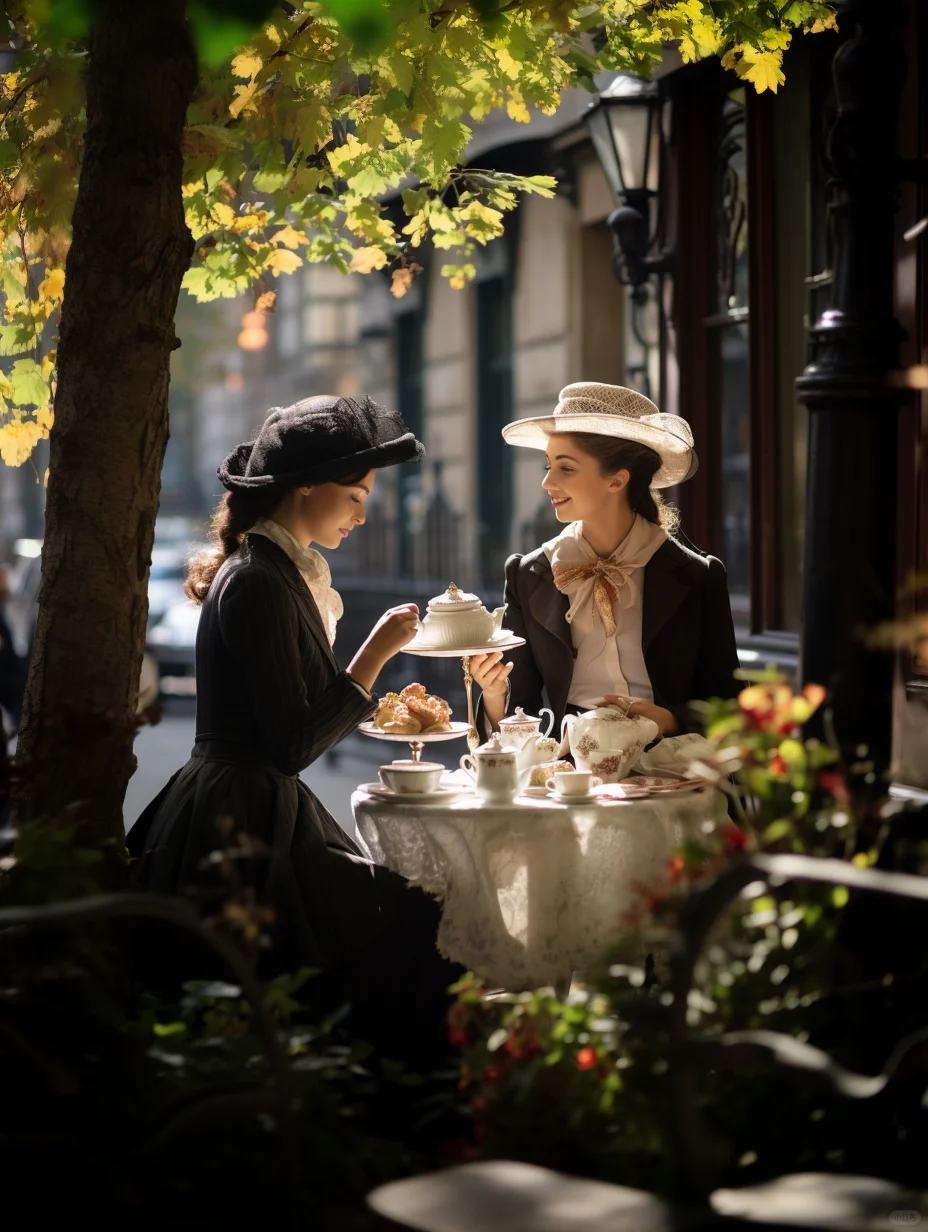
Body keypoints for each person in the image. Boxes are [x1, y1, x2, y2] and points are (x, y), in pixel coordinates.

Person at [128, 394, 461, 1063]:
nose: (364, 514)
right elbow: (293, 745)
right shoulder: (258, 580)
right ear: (306, 489)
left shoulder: (277, 571)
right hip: (241, 819)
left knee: (396, 936)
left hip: (251, 806)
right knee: (411, 929)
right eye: (355, 495)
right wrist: (376, 653)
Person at [470, 382, 739, 740]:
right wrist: (492, 692)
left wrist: (669, 721)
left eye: (566, 468)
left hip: (671, 766)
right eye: (548, 466)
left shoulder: (697, 576)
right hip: (569, 772)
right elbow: (522, 707)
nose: (547, 482)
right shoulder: (528, 575)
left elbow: (728, 706)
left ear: (617, 481)